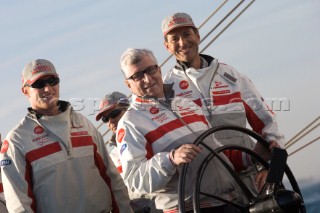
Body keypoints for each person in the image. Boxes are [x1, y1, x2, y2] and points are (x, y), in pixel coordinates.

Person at [117, 48, 277, 213]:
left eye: (150, 69)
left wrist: (252, 157)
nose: (147, 79)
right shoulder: (131, 123)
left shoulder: (186, 105)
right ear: (128, 84)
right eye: (137, 76)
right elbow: (134, 180)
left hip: (228, 203)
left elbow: (217, 153)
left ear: (159, 69)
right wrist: (170, 159)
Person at [161, 12, 285, 193]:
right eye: (175, 39)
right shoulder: (167, 89)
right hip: (207, 189)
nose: (182, 42)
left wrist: (269, 168)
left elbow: (267, 122)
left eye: (187, 34)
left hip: (249, 178)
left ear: (197, 35)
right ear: (167, 46)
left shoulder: (231, 76)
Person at [0, 59, 133, 213]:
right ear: (25, 91)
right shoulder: (17, 140)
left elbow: (112, 178)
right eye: (39, 84)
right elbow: (19, 205)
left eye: (52, 81)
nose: (48, 88)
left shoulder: (83, 123)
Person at [96, 91, 159, 213]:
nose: (110, 122)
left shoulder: (151, 134)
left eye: (114, 113)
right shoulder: (111, 156)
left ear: (129, 109)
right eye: (105, 118)